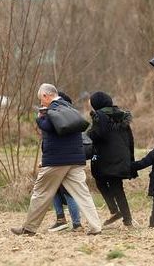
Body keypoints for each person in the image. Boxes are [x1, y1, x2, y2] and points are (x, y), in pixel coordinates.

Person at [11, 83, 102, 236]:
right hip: (75, 158)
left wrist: (39, 119)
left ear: (47, 95)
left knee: (41, 192)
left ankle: (29, 228)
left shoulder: (53, 110)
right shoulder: (70, 108)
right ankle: (96, 226)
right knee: (82, 194)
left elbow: (50, 127)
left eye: (41, 99)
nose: (41, 103)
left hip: (56, 160)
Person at [87, 91, 135, 227]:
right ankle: (127, 220)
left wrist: (88, 133)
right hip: (121, 156)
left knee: (100, 181)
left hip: (106, 157)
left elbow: (98, 134)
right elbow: (130, 139)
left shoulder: (100, 116)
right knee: (117, 187)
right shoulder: (121, 115)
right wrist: (130, 158)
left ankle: (115, 210)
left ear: (97, 103)